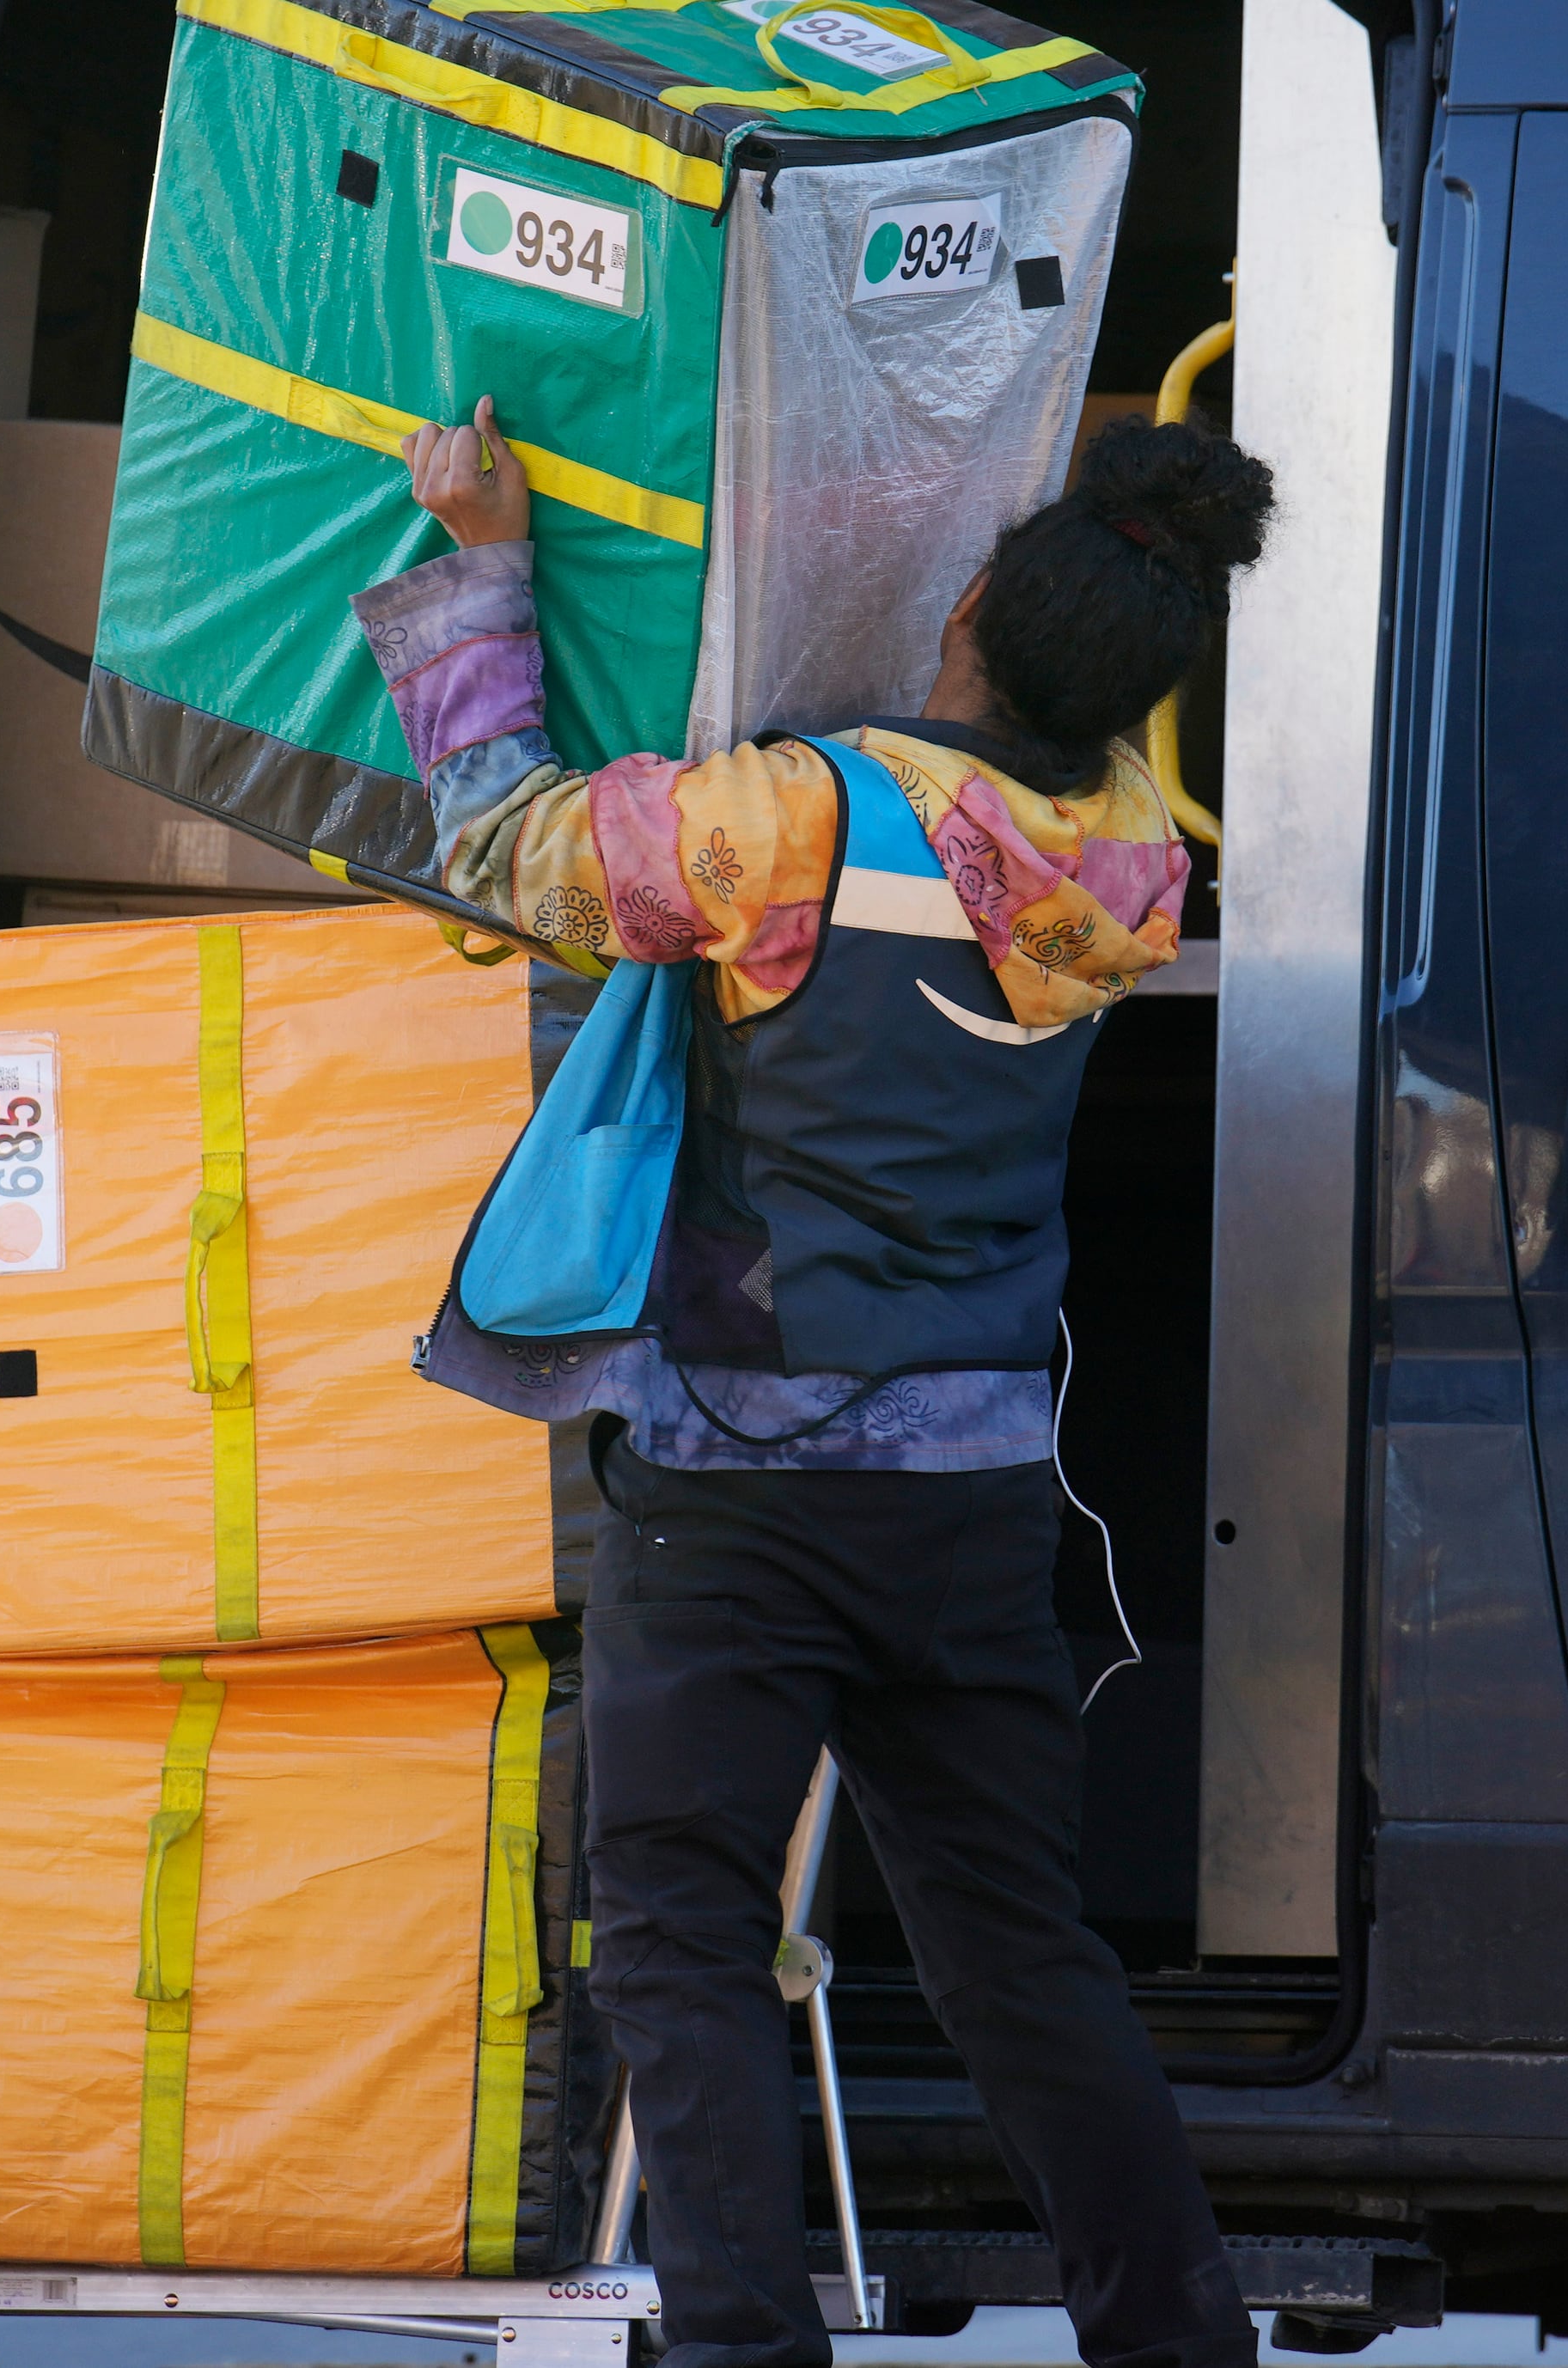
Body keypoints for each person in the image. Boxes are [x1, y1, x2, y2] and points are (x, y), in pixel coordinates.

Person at [350, 394, 1276, 2368]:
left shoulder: (790, 822)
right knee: (1021, 1962)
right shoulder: (1127, 865)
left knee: (680, 1941)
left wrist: (484, 563)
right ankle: (1178, 2347)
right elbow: (1067, 732)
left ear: (961, 615)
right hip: (972, 1505)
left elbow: (511, 850)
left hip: (738, 1495)